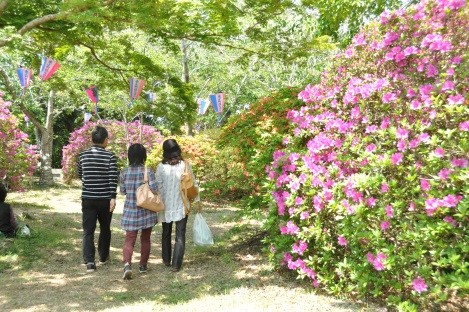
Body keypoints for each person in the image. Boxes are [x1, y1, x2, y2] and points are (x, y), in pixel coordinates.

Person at [77, 125, 118, 273]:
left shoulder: (82, 156)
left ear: (92, 139)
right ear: (106, 140)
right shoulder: (111, 157)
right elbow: (113, 178)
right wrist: (113, 197)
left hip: (88, 198)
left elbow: (80, 174)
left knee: (88, 230)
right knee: (105, 228)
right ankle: (103, 256)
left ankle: (89, 261)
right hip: (105, 199)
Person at [156, 139, 199, 272]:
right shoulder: (185, 165)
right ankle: (176, 265)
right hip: (182, 203)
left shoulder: (161, 167)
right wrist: (197, 200)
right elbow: (193, 183)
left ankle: (166, 259)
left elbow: (158, 187)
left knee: (166, 233)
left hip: (166, 205)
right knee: (180, 234)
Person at [119, 143, 158, 280]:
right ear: (143, 156)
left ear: (130, 156)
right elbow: (154, 190)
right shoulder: (148, 171)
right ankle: (142, 265)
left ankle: (127, 265)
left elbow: (122, 192)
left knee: (129, 240)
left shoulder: (124, 172)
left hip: (130, 210)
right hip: (146, 211)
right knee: (145, 239)